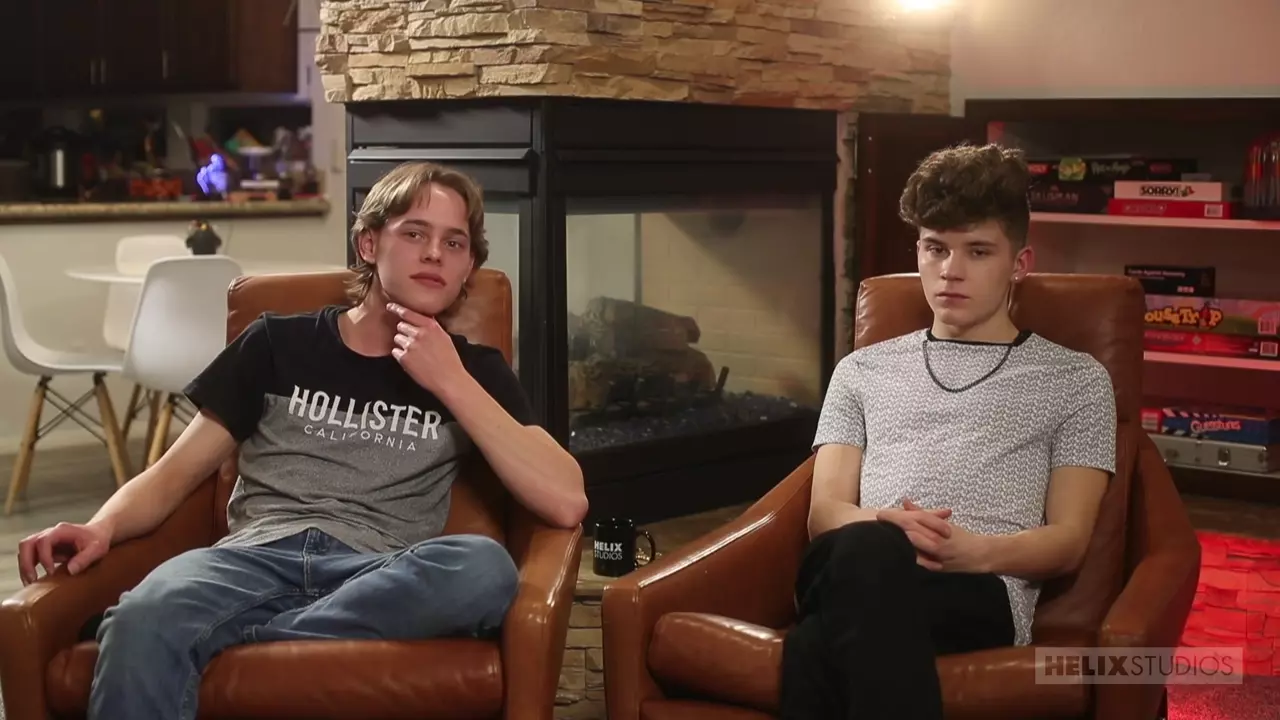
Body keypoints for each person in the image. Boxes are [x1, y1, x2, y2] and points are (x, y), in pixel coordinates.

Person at [15, 161, 589, 720]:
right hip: (253, 559)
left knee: (484, 568)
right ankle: (201, 627)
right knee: (150, 608)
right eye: (415, 233)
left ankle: (239, 637)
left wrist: (451, 382)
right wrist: (100, 527)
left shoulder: (476, 371)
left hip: (376, 572)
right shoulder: (276, 343)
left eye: (455, 243)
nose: (435, 253)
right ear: (369, 244)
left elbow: (566, 499)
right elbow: (172, 475)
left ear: (468, 268)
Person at [780, 144, 1116, 719]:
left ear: (1019, 263)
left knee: (818, 636)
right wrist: (886, 524)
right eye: (935, 248)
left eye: (977, 251)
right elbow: (824, 514)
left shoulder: (1077, 380)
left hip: (979, 589)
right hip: (860, 558)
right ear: (918, 252)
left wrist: (973, 552)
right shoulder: (861, 369)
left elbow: (1069, 540)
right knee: (866, 550)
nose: (950, 271)